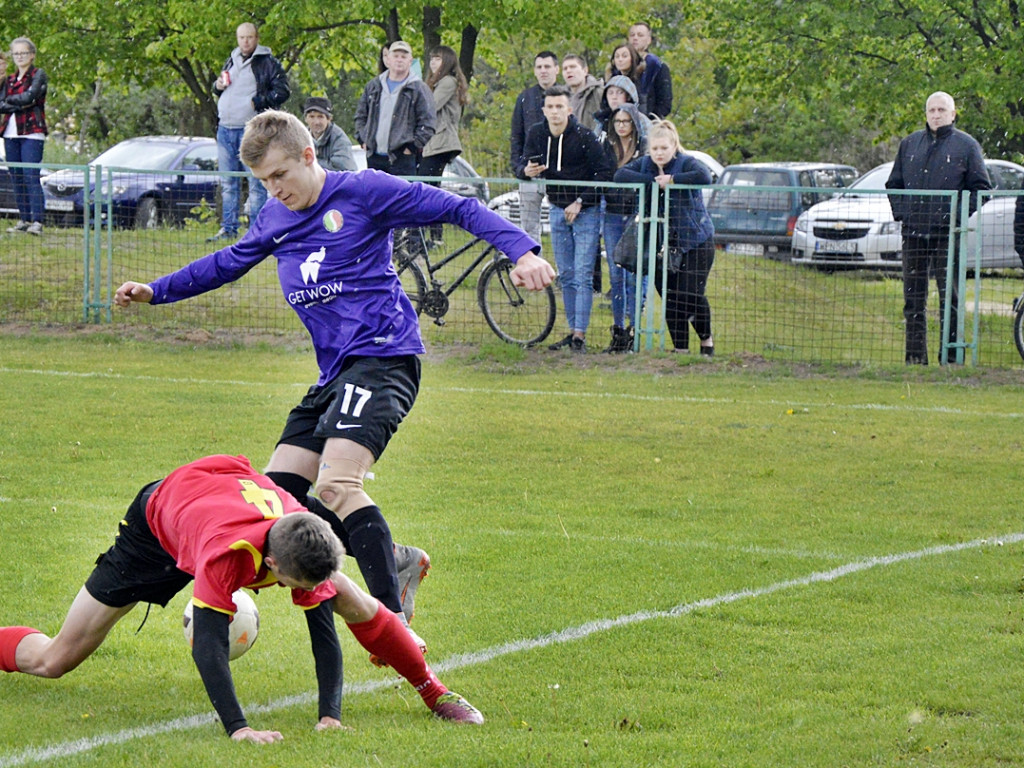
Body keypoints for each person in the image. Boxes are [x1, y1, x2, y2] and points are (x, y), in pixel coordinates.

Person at [114, 110, 555, 657]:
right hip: (335, 374)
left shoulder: (365, 192)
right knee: (278, 505)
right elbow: (227, 263)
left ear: (307, 156)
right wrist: (157, 291)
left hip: (385, 357)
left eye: (280, 176)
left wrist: (522, 250)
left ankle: (392, 625)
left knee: (337, 486)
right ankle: (393, 555)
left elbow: (458, 207)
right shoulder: (275, 217)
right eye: (263, 183)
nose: (275, 191)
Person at [0, 454, 485, 743]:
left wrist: (330, 717)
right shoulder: (221, 558)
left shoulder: (302, 532)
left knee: (351, 599)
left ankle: (434, 689)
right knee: (54, 659)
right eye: (292, 583)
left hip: (222, 496)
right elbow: (209, 646)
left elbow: (324, 630)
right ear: (270, 567)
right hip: (157, 525)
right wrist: (239, 728)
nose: (301, 592)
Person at [885, 91, 991, 365]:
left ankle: (952, 360)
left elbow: (981, 189)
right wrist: (905, 214)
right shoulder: (909, 145)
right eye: (931, 110)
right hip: (913, 233)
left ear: (953, 114)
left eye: (941, 110)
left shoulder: (967, 146)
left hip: (948, 235)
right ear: (926, 114)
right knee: (913, 300)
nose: (936, 115)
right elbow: (894, 185)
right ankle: (915, 360)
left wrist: (954, 217)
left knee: (951, 298)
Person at [519, 85, 614, 353]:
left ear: (569, 110)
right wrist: (527, 170)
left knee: (584, 273)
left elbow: (603, 174)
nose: (555, 112)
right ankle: (571, 330)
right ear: (544, 110)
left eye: (560, 106)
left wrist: (581, 201)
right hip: (556, 209)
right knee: (567, 274)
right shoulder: (537, 134)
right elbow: (521, 165)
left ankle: (579, 335)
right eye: (550, 107)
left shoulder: (585, 137)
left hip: (586, 211)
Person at [614, 119, 715, 355]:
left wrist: (673, 181)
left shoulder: (687, 162)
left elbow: (704, 177)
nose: (659, 153)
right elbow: (620, 175)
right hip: (659, 243)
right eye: (655, 149)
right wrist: (652, 182)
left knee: (690, 295)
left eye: (664, 148)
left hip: (695, 240)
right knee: (671, 298)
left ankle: (706, 342)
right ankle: (681, 351)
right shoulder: (646, 165)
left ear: (674, 146)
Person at [209, 22, 290, 242]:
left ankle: (257, 231)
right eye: (242, 37)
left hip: (251, 131)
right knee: (228, 181)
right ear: (237, 39)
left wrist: (259, 102)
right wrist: (217, 86)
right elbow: (217, 89)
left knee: (257, 182)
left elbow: (283, 90)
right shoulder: (231, 59)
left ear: (257, 38)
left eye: (250, 37)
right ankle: (228, 228)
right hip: (225, 128)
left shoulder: (267, 62)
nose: (245, 41)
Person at [601, 104, 648, 353]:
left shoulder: (644, 151)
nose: (621, 126)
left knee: (633, 274)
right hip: (612, 213)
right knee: (616, 275)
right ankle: (618, 330)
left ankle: (634, 329)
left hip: (635, 214)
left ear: (634, 124)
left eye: (626, 121)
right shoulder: (607, 148)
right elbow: (602, 176)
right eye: (617, 121)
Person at [354, 40, 436, 176]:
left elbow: (428, 123)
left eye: (404, 57)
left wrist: (412, 147)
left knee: (402, 197)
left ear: (410, 61)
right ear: (388, 59)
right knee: (377, 196)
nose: (399, 60)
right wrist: (363, 139)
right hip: (374, 157)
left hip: (402, 159)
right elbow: (360, 115)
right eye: (396, 56)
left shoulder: (419, 89)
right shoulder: (373, 86)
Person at [420, 45, 469, 243]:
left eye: (437, 59)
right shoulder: (442, 82)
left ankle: (426, 236)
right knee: (432, 189)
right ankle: (434, 236)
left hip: (441, 143)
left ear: (447, 61)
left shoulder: (448, 81)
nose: (433, 62)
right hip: (435, 143)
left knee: (426, 188)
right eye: (431, 59)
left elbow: (430, 106)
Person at [510, 51, 560, 245]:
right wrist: (521, 169)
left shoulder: (566, 97)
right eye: (539, 67)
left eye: (547, 66)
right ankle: (533, 270)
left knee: (560, 227)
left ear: (556, 69)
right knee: (528, 229)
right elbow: (516, 138)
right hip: (530, 175)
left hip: (559, 175)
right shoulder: (525, 98)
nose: (543, 71)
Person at [0, 37, 47, 236]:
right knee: (16, 177)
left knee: (30, 176)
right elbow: (2, 103)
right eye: (16, 53)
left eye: (24, 53)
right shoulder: (9, 79)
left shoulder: (38, 74)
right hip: (10, 133)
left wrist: (13, 100)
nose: (20, 57)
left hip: (32, 132)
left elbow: (31, 97)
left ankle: (37, 221)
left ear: (32, 55)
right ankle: (24, 219)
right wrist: (20, 101)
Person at [628, 22, 673, 119]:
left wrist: (649, 121)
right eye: (632, 35)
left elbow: (665, 103)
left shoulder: (658, 67)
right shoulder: (619, 67)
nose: (635, 38)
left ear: (649, 40)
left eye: (640, 35)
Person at [303, 96, 357, 172]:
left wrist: (310, 163)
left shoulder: (339, 139)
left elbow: (342, 169)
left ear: (329, 119)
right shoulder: (301, 137)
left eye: (320, 117)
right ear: (306, 119)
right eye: (312, 117)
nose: (316, 122)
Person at [562, 54, 603, 144]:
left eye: (573, 67)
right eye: (565, 69)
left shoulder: (599, 92)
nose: (568, 71)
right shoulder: (560, 98)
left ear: (585, 70)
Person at [603, 43, 647, 118]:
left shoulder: (643, 78)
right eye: (617, 56)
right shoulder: (611, 81)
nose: (620, 59)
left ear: (633, 58)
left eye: (624, 56)